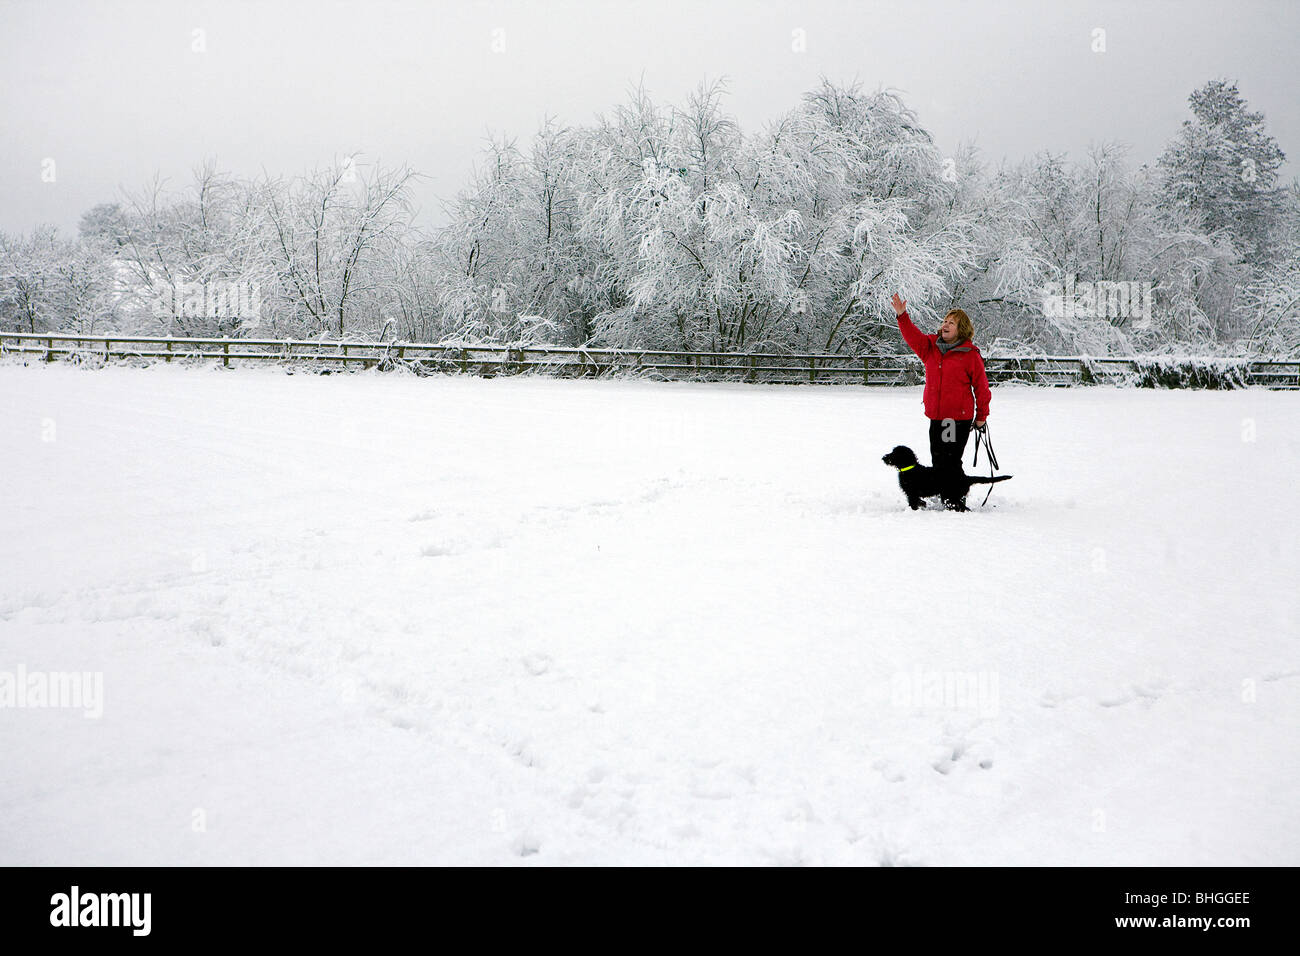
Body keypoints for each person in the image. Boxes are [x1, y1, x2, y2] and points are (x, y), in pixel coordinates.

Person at [890, 292, 991, 510]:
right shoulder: (930, 347)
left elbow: (981, 387)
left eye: (951, 323)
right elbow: (912, 336)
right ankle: (947, 495)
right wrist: (902, 315)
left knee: (950, 461)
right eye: (945, 321)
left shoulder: (969, 354)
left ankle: (954, 500)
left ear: (961, 329)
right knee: (939, 461)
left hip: (954, 419)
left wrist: (982, 416)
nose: (945, 325)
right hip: (937, 416)